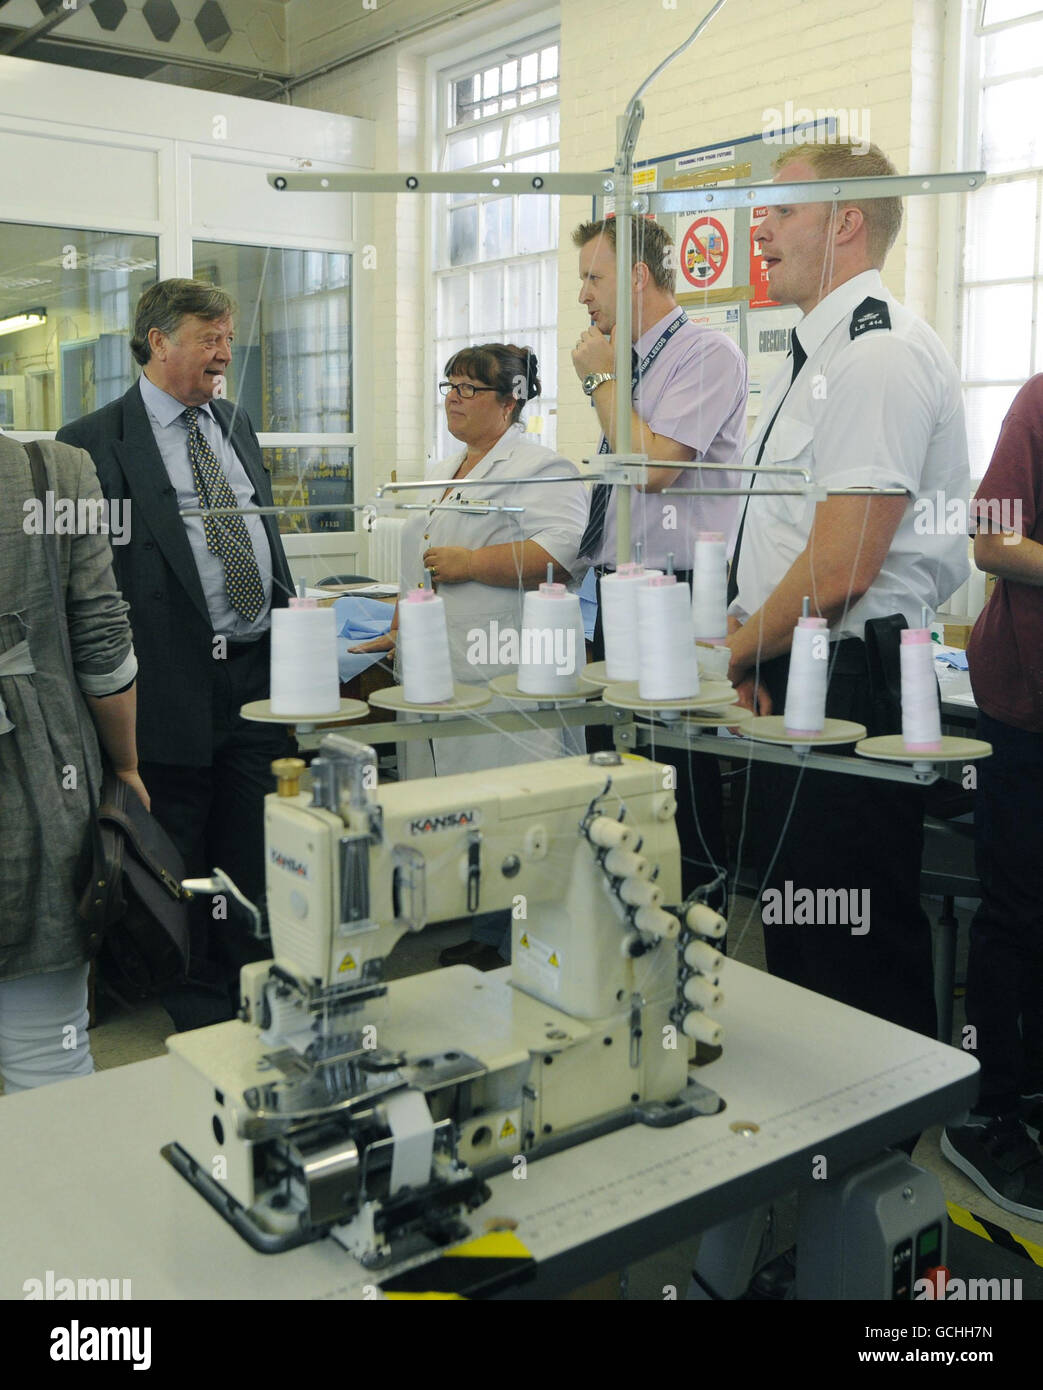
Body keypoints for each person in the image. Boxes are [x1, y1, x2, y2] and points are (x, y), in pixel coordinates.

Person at [726, 140, 968, 1039]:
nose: (761, 227)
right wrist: (752, 645)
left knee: (850, 945)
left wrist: (732, 655)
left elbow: (840, 568)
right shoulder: (815, 357)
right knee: (801, 930)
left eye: (781, 210)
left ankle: (876, 1152)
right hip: (800, 672)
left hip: (852, 686)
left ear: (847, 220)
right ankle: (828, 1141)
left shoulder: (876, 354)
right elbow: (789, 542)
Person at [56, 278, 296, 1030]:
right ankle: (195, 1003)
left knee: (254, 840)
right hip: (167, 683)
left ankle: (252, 983)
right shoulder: (91, 443)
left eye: (227, 335)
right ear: (158, 342)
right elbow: (81, 589)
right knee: (183, 850)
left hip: (258, 675)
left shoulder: (233, 421)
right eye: (208, 337)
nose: (225, 352)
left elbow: (259, 532)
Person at [353, 343, 588, 966]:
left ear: (510, 400)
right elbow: (423, 558)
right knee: (463, 802)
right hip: (444, 664)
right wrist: (402, 624)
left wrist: (472, 564)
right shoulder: (449, 467)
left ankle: (515, 941)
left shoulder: (543, 467)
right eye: (449, 384)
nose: (453, 397)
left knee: (513, 807)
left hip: (507, 665)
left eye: (469, 388)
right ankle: (483, 928)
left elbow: (560, 556)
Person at [571, 216, 748, 901]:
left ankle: (690, 921)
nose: (583, 296)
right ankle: (622, 928)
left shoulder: (705, 355)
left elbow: (651, 469)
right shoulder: (627, 361)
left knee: (674, 781)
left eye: (593, 278)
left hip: (678, 593)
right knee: (616, 767)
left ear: (636, 277)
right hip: (620, 589)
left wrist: (596, 382)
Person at [0, 434, 143, 1091]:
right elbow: (101, 639)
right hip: (34, 779)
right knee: (48, 1063)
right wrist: (127, 765)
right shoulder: (53, 471)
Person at [944, 378, 1043, 1219]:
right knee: (1014, 910)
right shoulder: (1039, 403)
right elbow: (989, 542)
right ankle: (984, 1112)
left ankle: (1033, 1090)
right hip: (1026, 706)